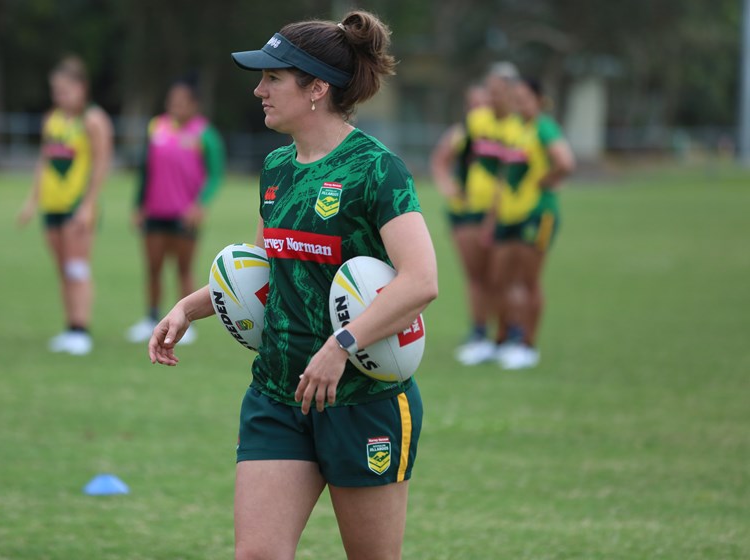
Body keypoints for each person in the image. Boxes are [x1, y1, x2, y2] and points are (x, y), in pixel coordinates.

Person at [149, 11, 437, 560]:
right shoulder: (278, 167)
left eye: (273, 78)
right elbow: (271, 268)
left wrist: (342, 345)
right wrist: (187, 308)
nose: (259, 90)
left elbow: (422, 281)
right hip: (278, 393)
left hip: (362, 399)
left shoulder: (378, 171)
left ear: (316, 89)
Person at [18, 55, 113, 355]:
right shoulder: (52, 119)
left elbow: (101, 164)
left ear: (81, 87)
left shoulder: (93, 120)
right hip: (52, 204)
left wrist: (89, 204)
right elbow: (44, 162)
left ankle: (81, 329)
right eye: (56, 90)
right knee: (62, 268)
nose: (60, 96)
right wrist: (32, 201)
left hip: (76, 205)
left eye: (65, 90)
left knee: (76, 268)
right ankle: (69, 325)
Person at [430, 62, 522, 366]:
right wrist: (449, 187)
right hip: (467, 212)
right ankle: (479, 334)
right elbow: (444, 158)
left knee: (501, 278)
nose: (493, 98)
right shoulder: (475, 122)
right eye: (490, 91)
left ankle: (508, 336)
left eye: (499, 92)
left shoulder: (520, 126)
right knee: (477, 276)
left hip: (505, 215)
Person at [126, 73, 226, 345]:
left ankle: (186, 323)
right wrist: (138, 204)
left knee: (183, 269)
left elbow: (215, 175)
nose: (175, 105)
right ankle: (151, 317)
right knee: (153, 268)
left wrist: (200, 205)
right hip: (155, 212)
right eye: (172, 100)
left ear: (194, 104)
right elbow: (146, 170)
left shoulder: (205, 134)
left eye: (181, 101)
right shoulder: (156, 127)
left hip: (185, 216)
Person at [486, 77, 575, 369]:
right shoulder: (512, 128)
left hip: (537, 214)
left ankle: (527, 345)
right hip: (508, 215)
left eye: (525, 97)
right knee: (500, 278)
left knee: (528, 281)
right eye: (516, 97)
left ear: (538, 100)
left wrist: (546, 181)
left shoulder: (543, 127)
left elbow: (565, 162)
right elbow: (503, 174)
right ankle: (504, 338)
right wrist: (492, 215)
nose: (519, 102)